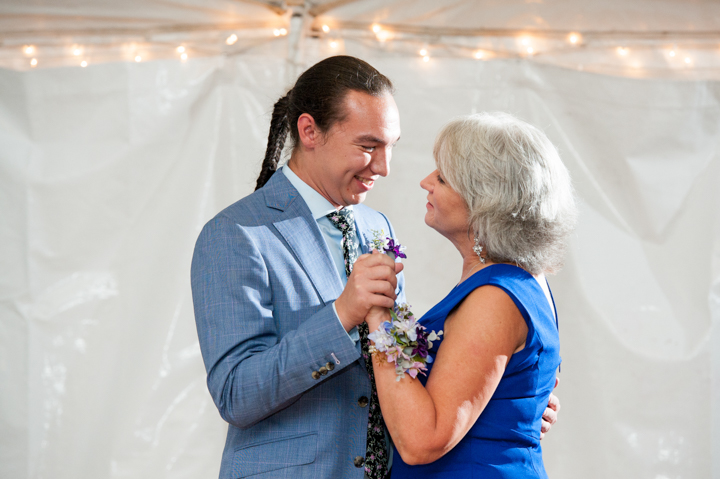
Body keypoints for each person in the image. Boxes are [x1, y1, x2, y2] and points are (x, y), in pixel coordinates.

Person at [191, 56, 559, 479]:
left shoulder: (375, 225)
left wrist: (503, 396)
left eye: (390, 147)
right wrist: (341, 314)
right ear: (309, 131)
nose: (384, 168)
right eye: (368, 146)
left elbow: (399, 358)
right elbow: (236, 395)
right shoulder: (236, 234)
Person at [365, 112, 577, 478]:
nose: (425, 182)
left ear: (485, 200)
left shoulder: (495, 297)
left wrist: (379, 319)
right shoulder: (523, 281)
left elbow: (422, 441)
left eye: (443, 177)